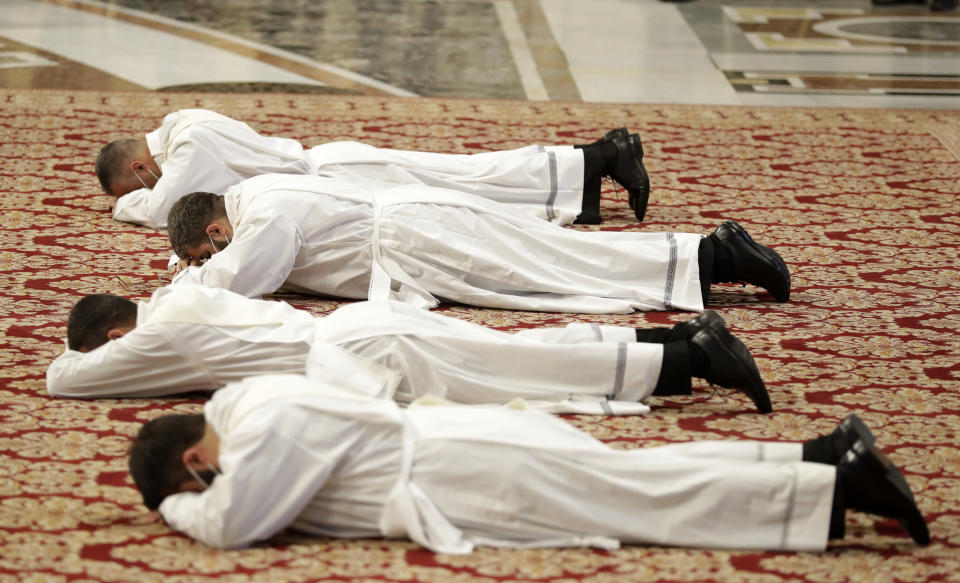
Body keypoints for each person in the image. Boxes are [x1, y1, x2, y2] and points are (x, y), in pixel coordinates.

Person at [128, 374, 930, 552]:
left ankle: (835, 486)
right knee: (637, 478)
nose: (211, 486)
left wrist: (176, 510)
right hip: (463, 451)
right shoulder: (252, 401)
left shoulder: (262, 432)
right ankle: (819, 457)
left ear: (197, 460)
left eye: (199, 480)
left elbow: (233, 526)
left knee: (646, 503)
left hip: (463, 470)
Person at [47, 284, 772, 413]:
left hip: (362, 356)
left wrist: (82, 354)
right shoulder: (179, 298)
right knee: (523, 350)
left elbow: (65, 381)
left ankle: (694, 359)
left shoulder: (163, 334)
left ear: (118, 335)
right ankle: (677, 339)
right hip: (361, 329)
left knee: (527, 368)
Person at [165, 174, 790, 314]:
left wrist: (191, 279)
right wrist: (188, 261)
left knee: (558, 269)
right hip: (421, 225)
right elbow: (226, 258)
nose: (200, 264)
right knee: (556, 259)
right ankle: (710, 256)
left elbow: (239, 281)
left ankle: (716, 254)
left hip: (422, 239)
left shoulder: (265, 217)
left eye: (201, 253)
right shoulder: (249, 196)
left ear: (218, 231)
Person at [95, 108, 649, 228]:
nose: (148, 184)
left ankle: (601, 160)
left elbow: (167, 207)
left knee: (470, 183)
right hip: (330, 165)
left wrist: (127, 203)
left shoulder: (186, 148)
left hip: (331, 175)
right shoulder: (182, 120)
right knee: (467, 178)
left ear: (141, 164)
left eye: (139, 179)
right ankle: (600, 158)